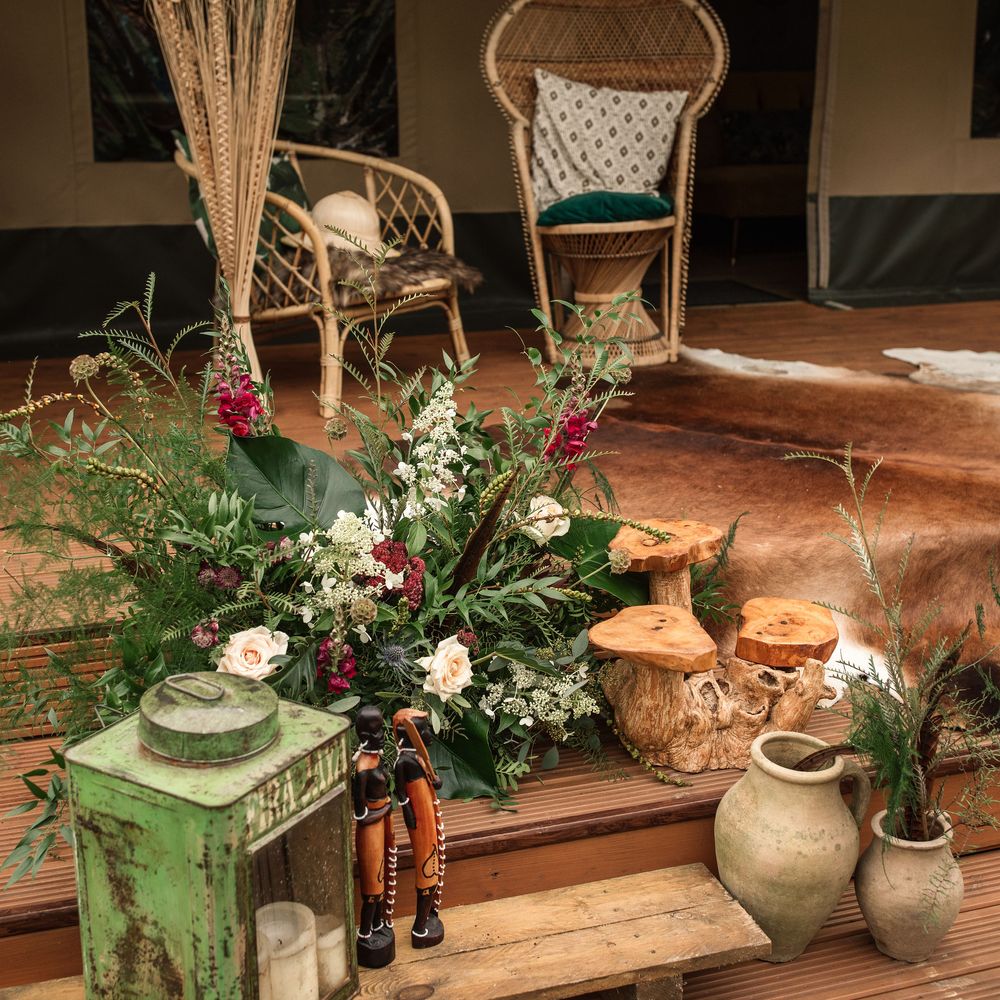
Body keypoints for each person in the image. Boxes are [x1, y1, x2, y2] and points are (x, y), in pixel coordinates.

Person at [392, 708, 445, 948]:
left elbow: (432, 782)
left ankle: (425, 919)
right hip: (420, 821)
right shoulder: (404, 761)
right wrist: (408, 813)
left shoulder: (419, 759)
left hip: (428, 816)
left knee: (432, 862)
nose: (428, 735)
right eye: (424, 731)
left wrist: (435, 781)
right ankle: (420, 927)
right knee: (427, 867)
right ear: (409, 735)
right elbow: (401, 793)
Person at [352, 705, 396, 967]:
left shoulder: (377, 760)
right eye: (377, 731)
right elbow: (361, 814)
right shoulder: (363, 769)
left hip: (381, 825)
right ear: (364, 735)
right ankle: (366, 931)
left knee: (381, 877)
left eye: (382, 729)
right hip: (370, 830)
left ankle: (378, 923)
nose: (382, 735)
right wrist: (384, 809)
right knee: (372, 883)